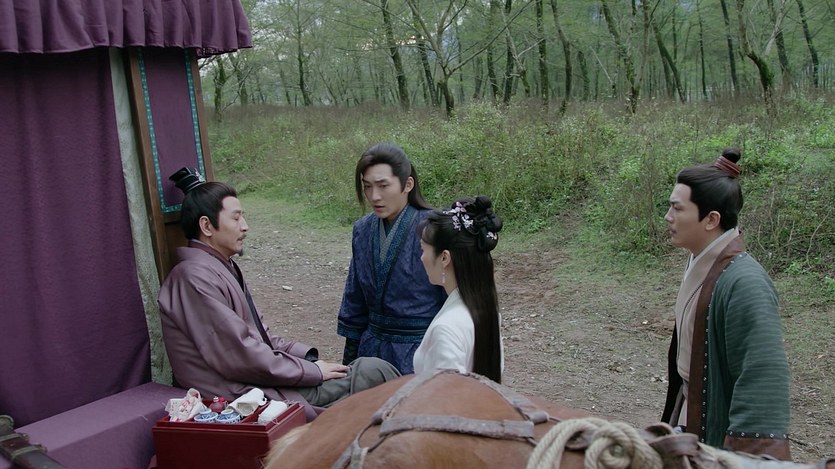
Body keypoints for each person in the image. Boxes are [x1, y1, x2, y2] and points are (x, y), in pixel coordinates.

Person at [158, 167, 400, 422]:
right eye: (236, 218)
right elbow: (241, 355)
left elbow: (261, 337)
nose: (245, 227)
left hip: (262, 379)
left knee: (369, 371)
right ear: (206, 226)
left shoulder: (218, 267)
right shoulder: (193, 277)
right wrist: (311, 372)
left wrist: (308, 359)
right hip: (240, 394)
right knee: (373, 371)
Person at [661, 149, 791, 459]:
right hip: (689, 413)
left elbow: (762, 377)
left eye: (677, 208)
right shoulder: (702, 261)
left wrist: (746, 458)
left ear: (711, 219)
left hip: (720, 436)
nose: (668, 216)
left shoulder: (745, 283)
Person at [337, 143, 447, 374]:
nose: (374, 196)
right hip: (371, 352)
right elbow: (355, 299)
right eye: (367, 187)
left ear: (408, 184)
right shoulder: (362, 230)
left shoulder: (436, 229)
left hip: (420, 353)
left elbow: (455, 299)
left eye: (383, 185)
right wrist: (349, 364)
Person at [413, 196, 504, 383]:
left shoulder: (446, 328)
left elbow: (447, 394)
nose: (422, 258)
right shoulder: (486, 310)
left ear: (444, 258)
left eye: (423, 249)